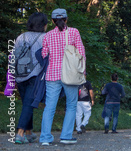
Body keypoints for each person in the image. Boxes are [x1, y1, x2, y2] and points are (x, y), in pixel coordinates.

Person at [40, 8, 86, 146]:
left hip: (52, 74)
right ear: (66, 19)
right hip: (70, 74)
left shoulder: (47, 35)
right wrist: (83, 72)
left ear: (53, 21)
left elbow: (44, 55)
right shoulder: (74, 32)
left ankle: (45, 138)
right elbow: (81, 53)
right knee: (71, 105)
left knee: (49, 107)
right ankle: (66, 136)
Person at [13, 12, 48, 144]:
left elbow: (14, 56)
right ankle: (20, 133)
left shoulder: (21, 37)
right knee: (29, 104)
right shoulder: (45, 38)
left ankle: (29, 133)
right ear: (43, 25)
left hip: (20, 75)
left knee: (27, 103)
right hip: (35, 76)